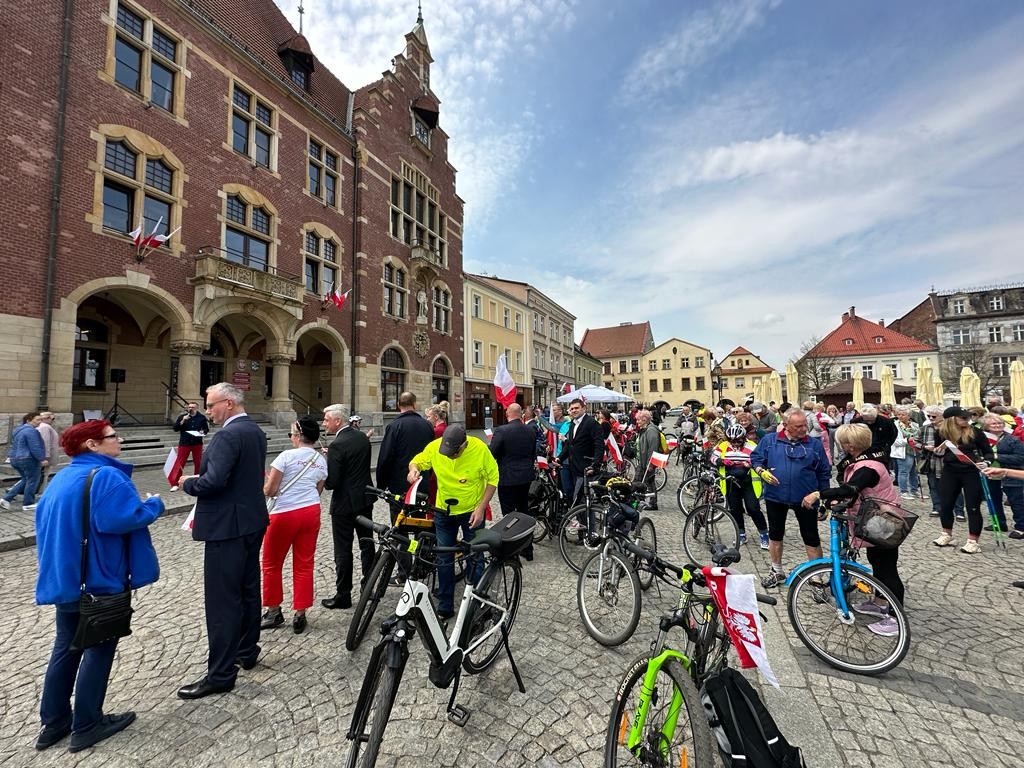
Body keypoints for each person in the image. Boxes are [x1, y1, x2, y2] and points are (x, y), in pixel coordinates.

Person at [33, 420, 162, 752]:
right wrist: (154, 505)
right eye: (112, 436)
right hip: (101, 579)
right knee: (99, 648)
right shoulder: (106, 475)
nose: (119, 440)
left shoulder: (62, 476)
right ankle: (87, 723)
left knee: (65, 648)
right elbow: (122, 519)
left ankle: (54, 721)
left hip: (69, 579)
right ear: (92, 444)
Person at [178, 383, 268, 700]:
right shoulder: (253, 430)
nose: (208, 411)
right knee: (247, 588)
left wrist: (189, 483)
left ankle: (220, 674)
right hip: (250, 520)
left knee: (221, 601)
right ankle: (246, 649)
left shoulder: (229, 434)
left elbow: (214, 481)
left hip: (227, 526)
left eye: (211, 405)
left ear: (228, 403)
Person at [823, 424, 907, 637]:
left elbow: (849, 489)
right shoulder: (866, 462)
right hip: (875, 522)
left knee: (888, 570)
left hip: (883, 524)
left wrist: (818, 494)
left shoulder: (867, 467)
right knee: (878, 564)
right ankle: (879, 602)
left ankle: (896, 620)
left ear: (850, 446)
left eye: (842, 442)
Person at [408, 424, 497, 619]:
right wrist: (413, 470)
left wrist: (481, 508)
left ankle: (477, 602)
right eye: (446, 453)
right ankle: (445, 605)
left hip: (471, 512)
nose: (449, 457)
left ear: (464, 445)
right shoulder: (434, 447)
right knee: (443, 557)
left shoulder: (479, 449)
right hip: (443, 512)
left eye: (453, 453)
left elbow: (493, 479)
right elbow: (417, 461)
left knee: (476, 555)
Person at [260, 416, 328, 634]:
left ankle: (273, 610)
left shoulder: (286, 456)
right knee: (304, 563)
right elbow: (318, 490)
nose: (291, 438)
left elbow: (270, 491)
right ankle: (300, 613)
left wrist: (267, 482)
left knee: (271, 563)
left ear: (298, 435)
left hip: (284, 514)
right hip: (310, 511)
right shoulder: (320, 460)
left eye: (291, 434)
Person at [750, 409, 831, 588]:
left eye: (805, 425)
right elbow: (755, 458)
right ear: (786, 426)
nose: (804, 429)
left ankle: (816, 577)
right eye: (799, 426)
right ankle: (777, 570)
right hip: (775, 497)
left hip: (806, 498)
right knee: (775, 534)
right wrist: (761, 471)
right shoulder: (770, 440)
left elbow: (824, 472)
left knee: (811, 536)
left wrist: (824, 500)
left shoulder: (814, 444)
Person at [321, 403, 376, 609]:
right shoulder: (361, 436)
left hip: (344, 504)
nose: (324, 423)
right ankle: (368, 587)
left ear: (338, 420)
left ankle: (343, 594)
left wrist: (329, 463)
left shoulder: (337, 445)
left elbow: (332, 482)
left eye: (326, 419)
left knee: (343, 549)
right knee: (367, 543)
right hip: (365, 498)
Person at [931, 406, 993, 554]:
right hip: (950, 471)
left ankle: (973, 541)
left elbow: (989, 453)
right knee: (945, 504)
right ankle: (947, 534)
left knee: (972, 506)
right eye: (963, 418)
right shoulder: (941, 432)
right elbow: (937, 451)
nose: (968, 420)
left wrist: (986, 463)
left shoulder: (976, 432)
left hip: (971, 472)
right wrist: (937, 452)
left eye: (968, 417)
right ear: (952, 420)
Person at [375, 391, 435, 518]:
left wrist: (381, 485)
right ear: (414, 404)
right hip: (421, 481)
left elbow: (385, 457)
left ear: (398, 405)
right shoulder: (427, 425)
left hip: (398, 485)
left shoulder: (394, 426)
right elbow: (432, 453)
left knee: (399, 524)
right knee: (420, 522)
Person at [489, 403, 537, 560]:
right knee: (524, 511)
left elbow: (492, 454)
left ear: (507, 413)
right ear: (520, 414)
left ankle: (511, 552)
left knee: (508, 515)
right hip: (526, 477)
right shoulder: (530, 430)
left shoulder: (501, 430)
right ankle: (528, 550)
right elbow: (532, 453)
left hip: (508, 478)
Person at [712, 422, 769, 548]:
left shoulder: (752, 446)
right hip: (730, 482)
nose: (736, 444)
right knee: (735, 509)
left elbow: (762, 460)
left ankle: (764, 535)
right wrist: (722, 461)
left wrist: (751, 463)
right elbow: (713, 458)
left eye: (738, 441)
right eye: (733, 441)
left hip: (748, 482)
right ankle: (741, 534)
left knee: (753, 508)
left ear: (744, 438)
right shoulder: (723, 446)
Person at [980, 412, 1024, 535]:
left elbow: (1020, 458)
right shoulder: (984, 439)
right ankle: (999, 523)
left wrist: (997, 456)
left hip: (1010, 475)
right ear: (986, 426)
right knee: (993, 500)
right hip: (991, 474)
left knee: (1016, 501)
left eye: (999, 423)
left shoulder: (1012, 439)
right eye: (993, 423)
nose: (997, 425)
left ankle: (1021, 527)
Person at [557, 398, 605, 508]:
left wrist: (596, 465)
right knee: (578, 500)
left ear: (584, 408)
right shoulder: (573, 424)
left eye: (576, 408)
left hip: (586, 467)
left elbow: (599, 446)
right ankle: (582, 523)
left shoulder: (591, 423)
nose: (574, 410)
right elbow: (570, 444)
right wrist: (560, 458)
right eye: (572, 408)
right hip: (574, 467)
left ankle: (588, 525)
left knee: (581, 501)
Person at [920, 405, 964, 519]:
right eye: (928, 416)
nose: (930, 418)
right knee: (933, 486)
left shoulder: (951, 429)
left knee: (954, 486)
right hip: (932, 461)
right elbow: (916, 441)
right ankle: (937, 508)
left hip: (947, 462)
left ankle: (959, 511)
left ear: (941, 416)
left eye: (933, 416)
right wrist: (925, 446)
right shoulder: (925, 428)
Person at [1, 412, 46, 512]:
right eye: (38, 420)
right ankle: (28, 503)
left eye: (41, 420)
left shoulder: (18, 430)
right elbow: (35, 447)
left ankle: (6, 499)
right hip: (27, 459)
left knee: (26, 479)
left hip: (15, 458)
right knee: (33, 480)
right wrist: (42, 458)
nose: (40, 422)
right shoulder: (31, 431)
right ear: (28, 420)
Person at [633, 409, 663, 510]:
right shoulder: (645, 429)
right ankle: (637, 501)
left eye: (638, 420)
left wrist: (650, 464)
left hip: (648, 462)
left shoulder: (651, 431)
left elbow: (653, 448)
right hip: (643, 461)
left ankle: (653, 504)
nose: (637, 422)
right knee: (638, 481)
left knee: (649, 482)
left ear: (645, 419)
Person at [892, 405, 921, 499]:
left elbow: (919, 436)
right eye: (899, 414)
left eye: (903, 414)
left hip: (914, 450)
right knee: (903, 472)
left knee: (914, 472)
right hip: (902, 451)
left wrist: (916, 441)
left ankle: (914, 490)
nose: (900, 416)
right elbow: (894, 440)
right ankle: (903, 491)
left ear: (909, 415)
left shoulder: (915, 425)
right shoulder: (895, 425)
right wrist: (907, 440)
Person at [36, 412, 60, 495]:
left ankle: (41, 490)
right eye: (52, 418)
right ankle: (41, 490)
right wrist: (46, 456)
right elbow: (45, 442)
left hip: (46, 454)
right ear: (47, 418)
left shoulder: (43, 426)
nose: (52, 421)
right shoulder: (44, 427)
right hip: (46, 455)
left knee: (43, 474)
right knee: (44, 473)